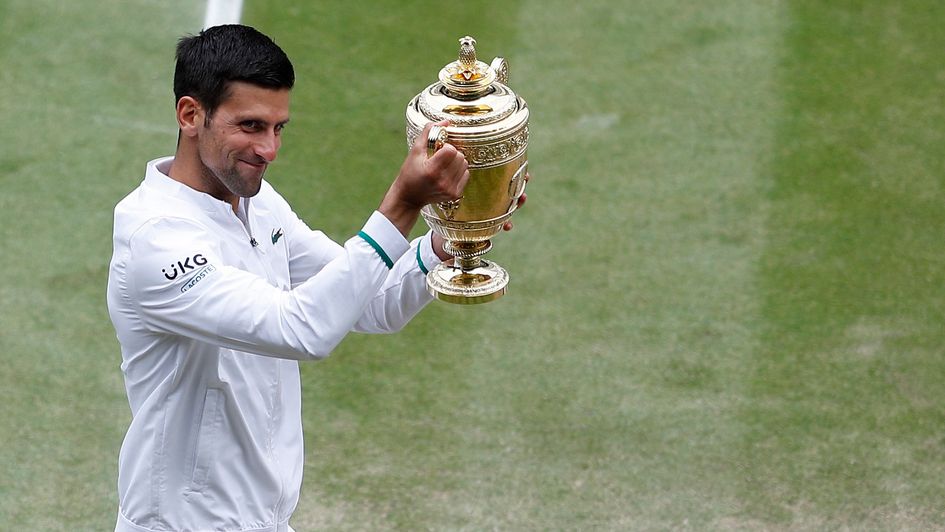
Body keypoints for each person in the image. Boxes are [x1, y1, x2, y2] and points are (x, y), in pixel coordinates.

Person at [106, 24, 526, 532]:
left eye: (278, 128)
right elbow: (300, 328)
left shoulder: (259, 205)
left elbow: (374, 302)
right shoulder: (156, 239)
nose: (269, 149)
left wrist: (454, 234)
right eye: (251, 126)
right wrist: (402, 204)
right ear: (191, 115)